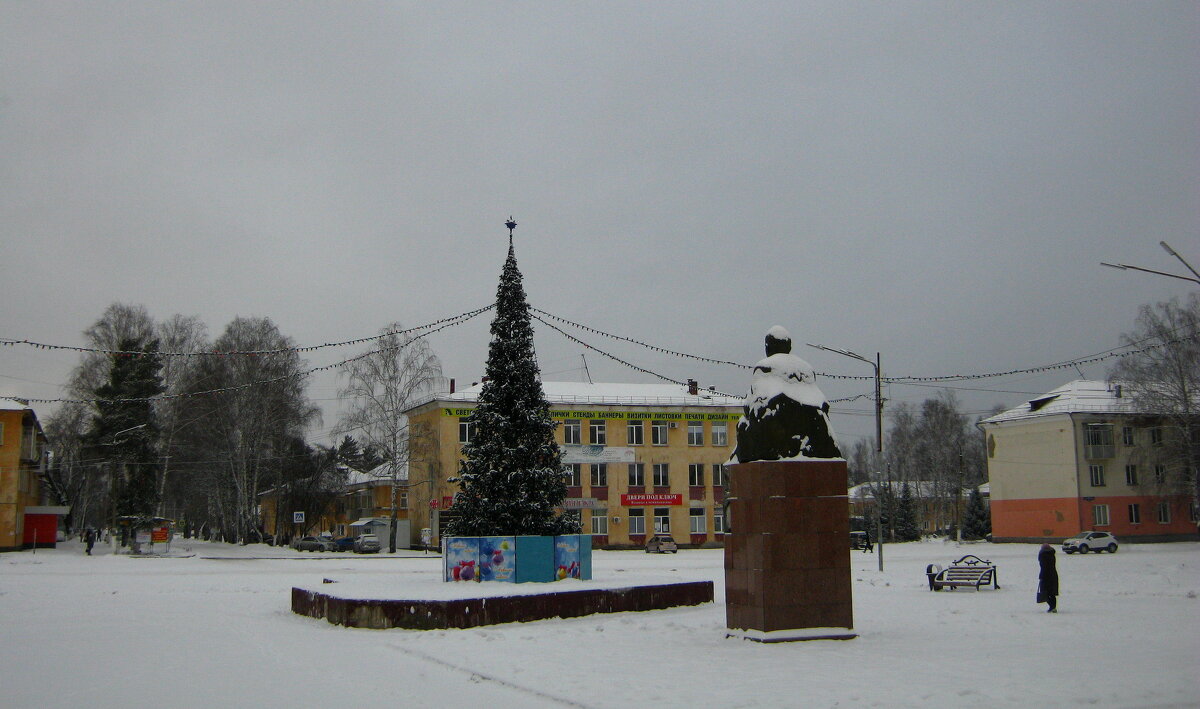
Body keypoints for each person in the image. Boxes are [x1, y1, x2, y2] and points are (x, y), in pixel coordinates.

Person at [1038, 543, 1058, 613]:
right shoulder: (1052, 554)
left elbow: (1044, 567)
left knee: (1044, 592)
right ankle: (1053, 607)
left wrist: (1041, 576)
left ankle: (1052, 607)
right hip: (1053, 575)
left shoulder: (1043, 555)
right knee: (1052, 593)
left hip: (1046, 576)